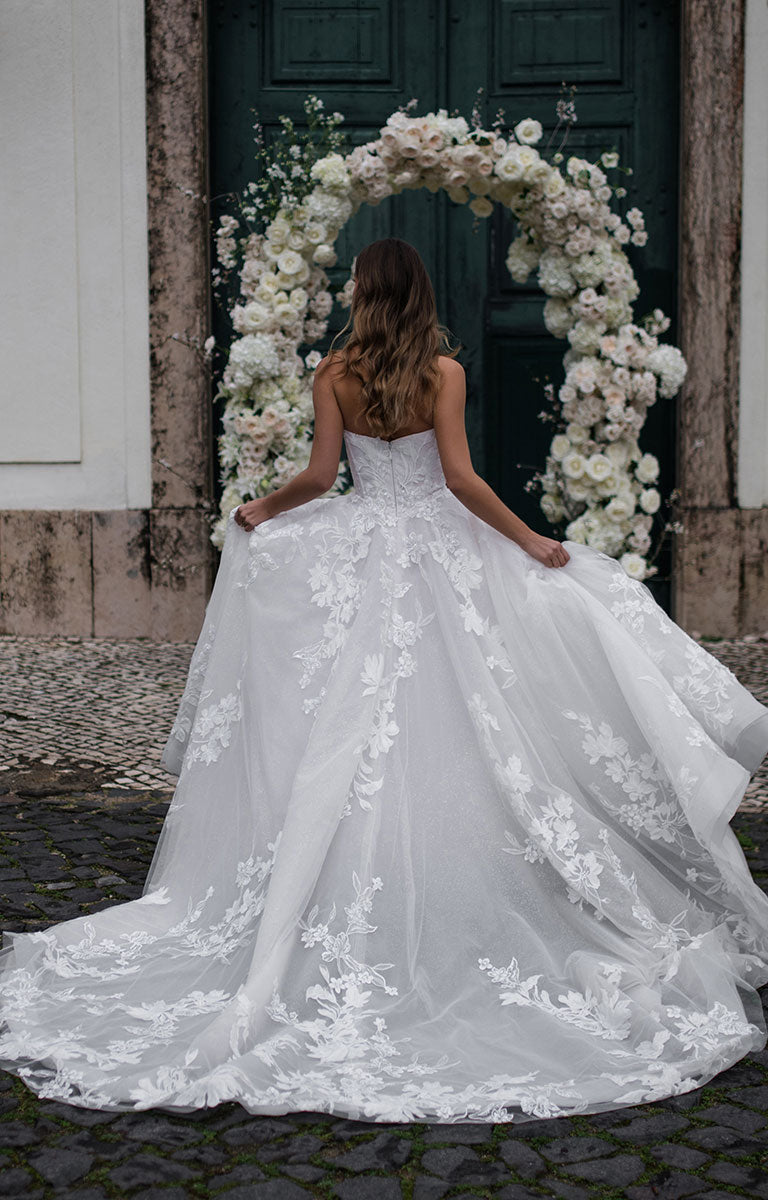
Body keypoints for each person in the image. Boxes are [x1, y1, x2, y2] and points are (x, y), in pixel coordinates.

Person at [1, 238, 767, 1125]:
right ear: (423, 296)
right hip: (439, 554)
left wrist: (259, 509)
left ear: (363, 295)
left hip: (359, 553)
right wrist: (530, 544)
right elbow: (461, 482)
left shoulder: (336, 373)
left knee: (348, 722)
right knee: (474, 711)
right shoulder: (443, 372)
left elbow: (323, 479)